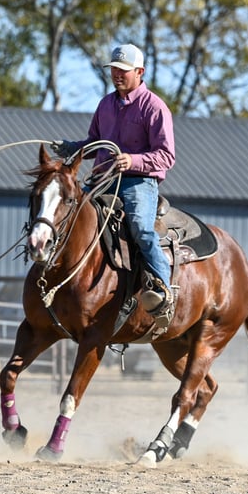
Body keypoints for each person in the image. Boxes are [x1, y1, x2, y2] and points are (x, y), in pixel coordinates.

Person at [52, 43, 176, 333]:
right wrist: (72, 148)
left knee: (140, 228)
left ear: (140, 72)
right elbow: (94, 142)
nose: (117, 75)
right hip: (103, 178)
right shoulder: (106, 104)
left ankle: (163, 290)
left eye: (123, 70)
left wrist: (132, 160)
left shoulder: (155, 107)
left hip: (138, 182)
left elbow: (166, 156)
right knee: (70, 213)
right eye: (113, 70)